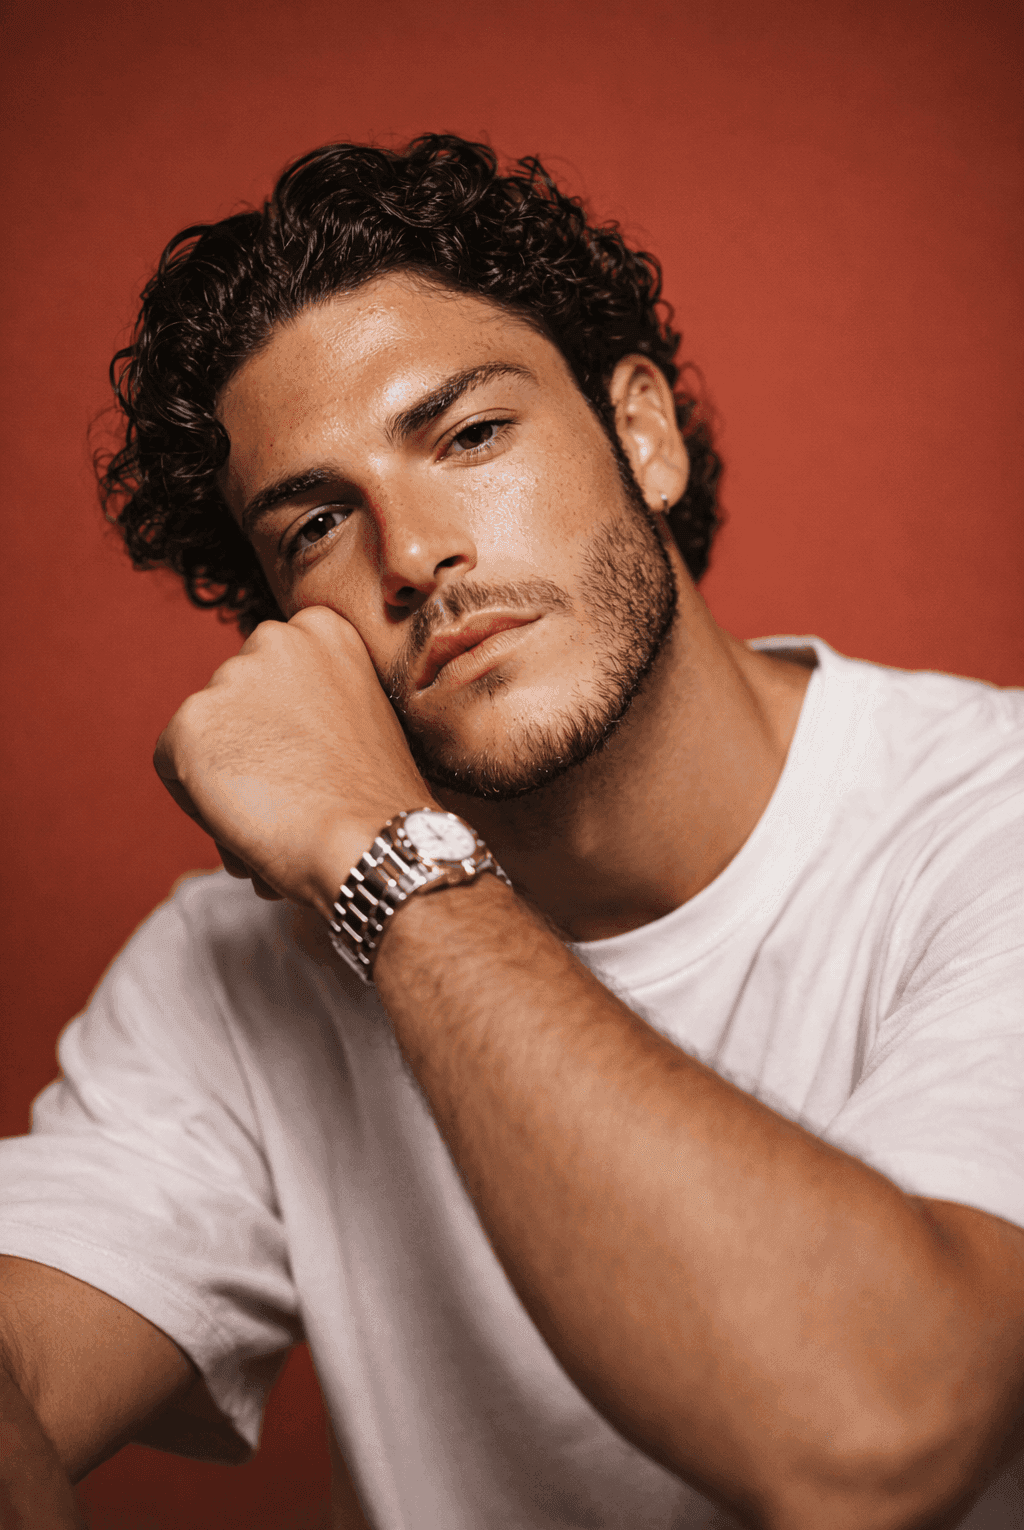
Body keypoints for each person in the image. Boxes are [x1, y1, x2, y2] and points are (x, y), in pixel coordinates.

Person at [0, 135, 1022, 1530]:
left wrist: (389, 859)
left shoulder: (987, 818)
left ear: (642, 435)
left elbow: (875, 1427)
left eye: (471, 437)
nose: (414, 554)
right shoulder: (232, 970)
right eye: (317, 523)